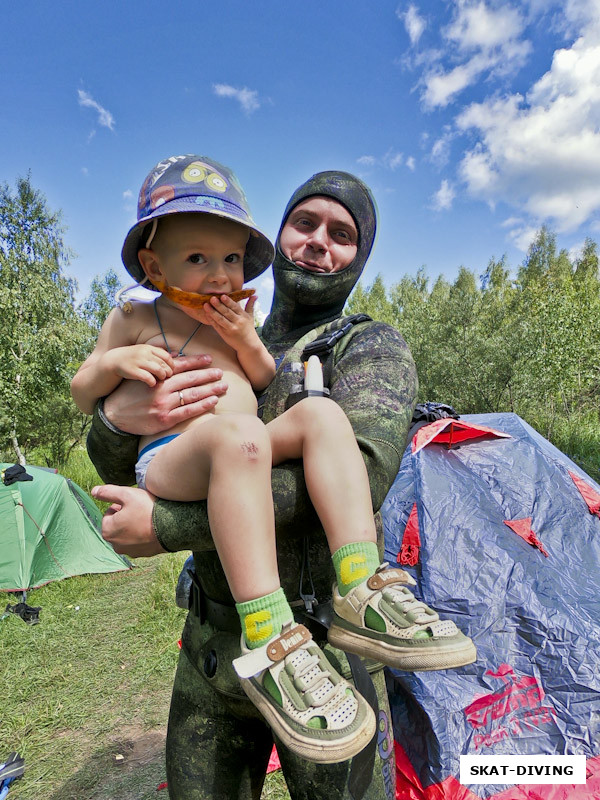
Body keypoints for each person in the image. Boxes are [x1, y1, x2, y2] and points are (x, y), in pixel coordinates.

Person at [86, 167, 475, 800]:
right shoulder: (213, 331)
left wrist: (164, 528)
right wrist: (118, 417)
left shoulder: (367, 348)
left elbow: (367, 476)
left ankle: (369, 601)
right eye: (305, 223)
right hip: (213, 647)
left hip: (323, 647)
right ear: (279, 235)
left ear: (360, 257)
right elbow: (121, 464)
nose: (319, 241)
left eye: (342, 233)